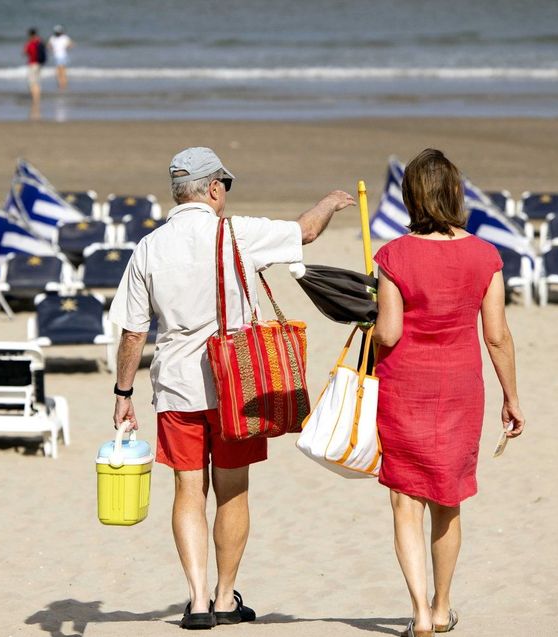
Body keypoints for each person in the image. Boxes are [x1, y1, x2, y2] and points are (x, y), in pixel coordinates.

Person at [110, 147, 355, 630]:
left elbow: (133, 332)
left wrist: (123, 396)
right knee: (233, 492)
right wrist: (329, 202)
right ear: (214, 189)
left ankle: (197, 600)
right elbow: (304, 232)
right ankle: (225, 597)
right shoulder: (237, 233)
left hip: (177, 388)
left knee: (187, 491)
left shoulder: (149, 247)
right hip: (237, 385)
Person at [371, 148, 526, 637]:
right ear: (455, 193)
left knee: (405, 502)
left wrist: (368, 324)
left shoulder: (394, 254)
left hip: (405, 387)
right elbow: (497, 334)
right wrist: (512, 397)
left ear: (411, 196)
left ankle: (417, 613)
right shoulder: (485, 255)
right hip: (461, 389)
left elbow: (390, 333)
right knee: (448, 499)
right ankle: (442, 608)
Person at [47, 25, 73, 91]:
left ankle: (62, 85)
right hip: (62, 55)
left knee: (60, 71)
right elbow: (71, 45)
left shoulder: (53, 38)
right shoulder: (64, 37)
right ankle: (63, 85)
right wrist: (66, 48)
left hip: (59, 55)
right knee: (62, 71)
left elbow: (48, 46)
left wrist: (53, 49)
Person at [23, 27, 45, 105]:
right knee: (38, 82)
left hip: (32, 64)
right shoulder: (40, 41)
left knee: (32, 83)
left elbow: (25, 52)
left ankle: (34, 100)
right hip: (39, 64)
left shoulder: (30, 43)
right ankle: (37, 99)